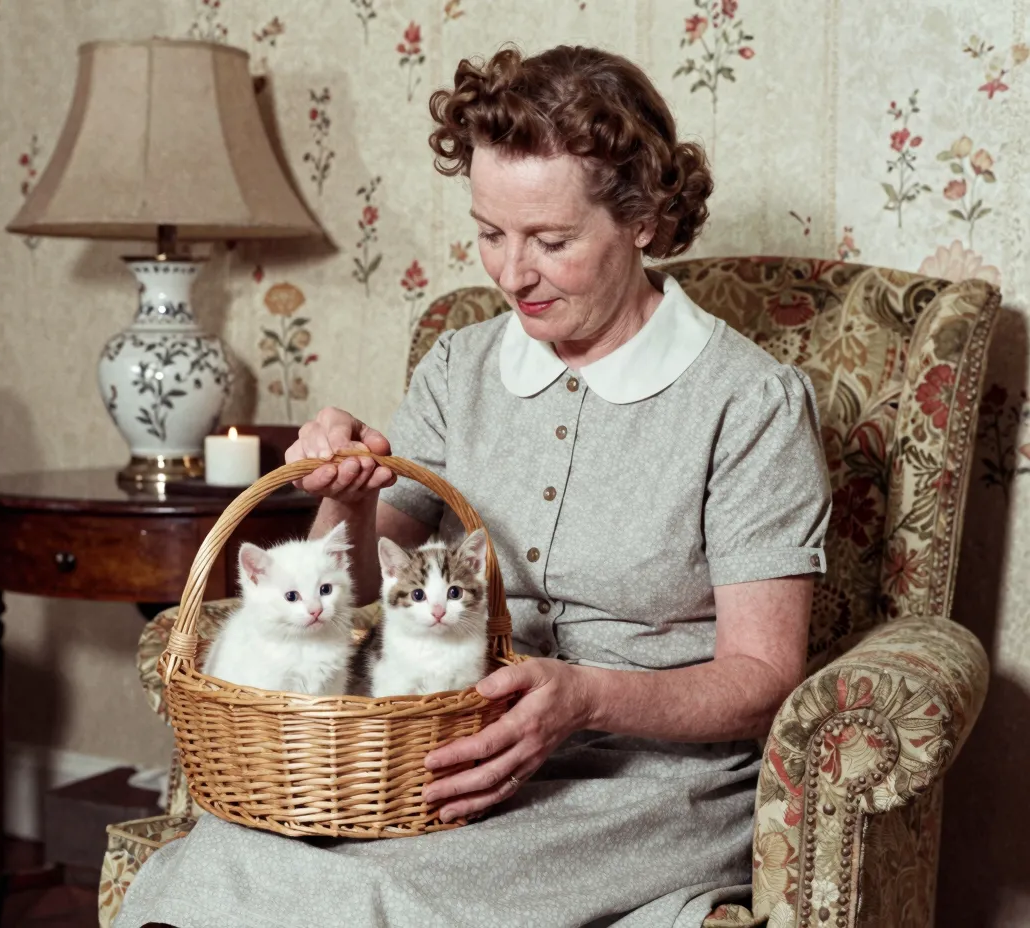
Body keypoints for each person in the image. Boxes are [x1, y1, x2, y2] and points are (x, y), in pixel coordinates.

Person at [115, 44, 830, 928]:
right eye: (491, 232)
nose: (511, 274)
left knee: (370, 889)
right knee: (224, 856)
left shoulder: (749, 403)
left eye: (551, 242)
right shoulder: (460, 366)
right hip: (442, 744)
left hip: (640, 785)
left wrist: (586, 697)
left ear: (643, 220)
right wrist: (347, 491)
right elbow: (367, 584)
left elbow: (764, 676)